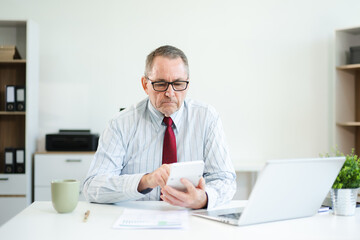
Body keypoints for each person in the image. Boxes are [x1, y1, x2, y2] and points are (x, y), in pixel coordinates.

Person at [82, 45, 236, 209]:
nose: (170, 93)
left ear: (187, 84)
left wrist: (204, 198)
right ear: (145, 84)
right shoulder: (120, 123)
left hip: (192, 220)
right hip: (136, 223)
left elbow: (225, 180)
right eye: (161, 84)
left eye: (178, 83)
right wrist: (145, 180)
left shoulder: (207, 118)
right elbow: (93, 187)